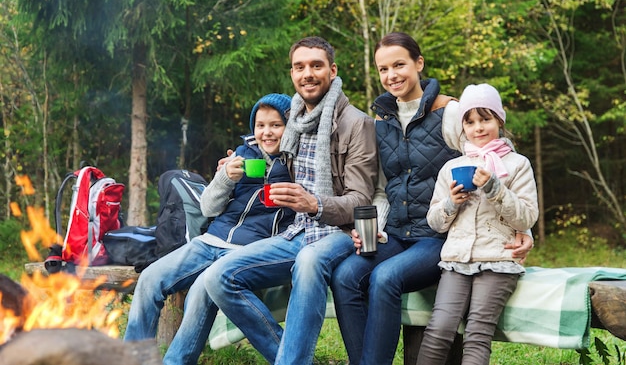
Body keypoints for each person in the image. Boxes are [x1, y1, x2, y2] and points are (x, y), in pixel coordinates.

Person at [330, 32, 534, 365]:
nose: (391, 75)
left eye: (399, 65)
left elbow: (494, 162)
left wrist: (523, 232)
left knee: (385, 278)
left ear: (418, 64)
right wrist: (376, 228)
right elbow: (383, 188)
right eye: (383, 69)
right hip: (395, 233)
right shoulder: (382, 121)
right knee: (345, 277)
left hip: (438, 236)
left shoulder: (451, 113)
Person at [202, 36, 378, 364]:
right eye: (300, 67)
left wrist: (315, 204)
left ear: (332, 70)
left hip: (339, 234)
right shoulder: (293, 122)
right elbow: (265, 150)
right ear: (292, 73)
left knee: (310, 260)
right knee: (217, 276)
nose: (307, 73)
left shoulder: (356, 124)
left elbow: (360, 200)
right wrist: (230, 166)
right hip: (296, 232)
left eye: (316, 65)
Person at [123, 93, 295, 365]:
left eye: (276, 125)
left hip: (251, 249)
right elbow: (208, 208)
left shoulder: (296, 160)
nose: (267, 132)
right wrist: (225, 178)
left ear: (290, 125)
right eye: (261, 125)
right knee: (150, 279)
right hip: (211, 240)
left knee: (202, 290)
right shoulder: (242, 154)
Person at [416, 83, 539, 365]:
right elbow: (435, 222)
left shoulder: (518, 164)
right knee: (438, 330)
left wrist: (495, 188)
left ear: (499, 120)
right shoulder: (451, 167)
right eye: (470, 122)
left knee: (477, 333)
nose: (478, 128)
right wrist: (452, 202)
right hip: (457, 261)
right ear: (463, 127)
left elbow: (527, 217)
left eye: (485, 119)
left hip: (498, 260)